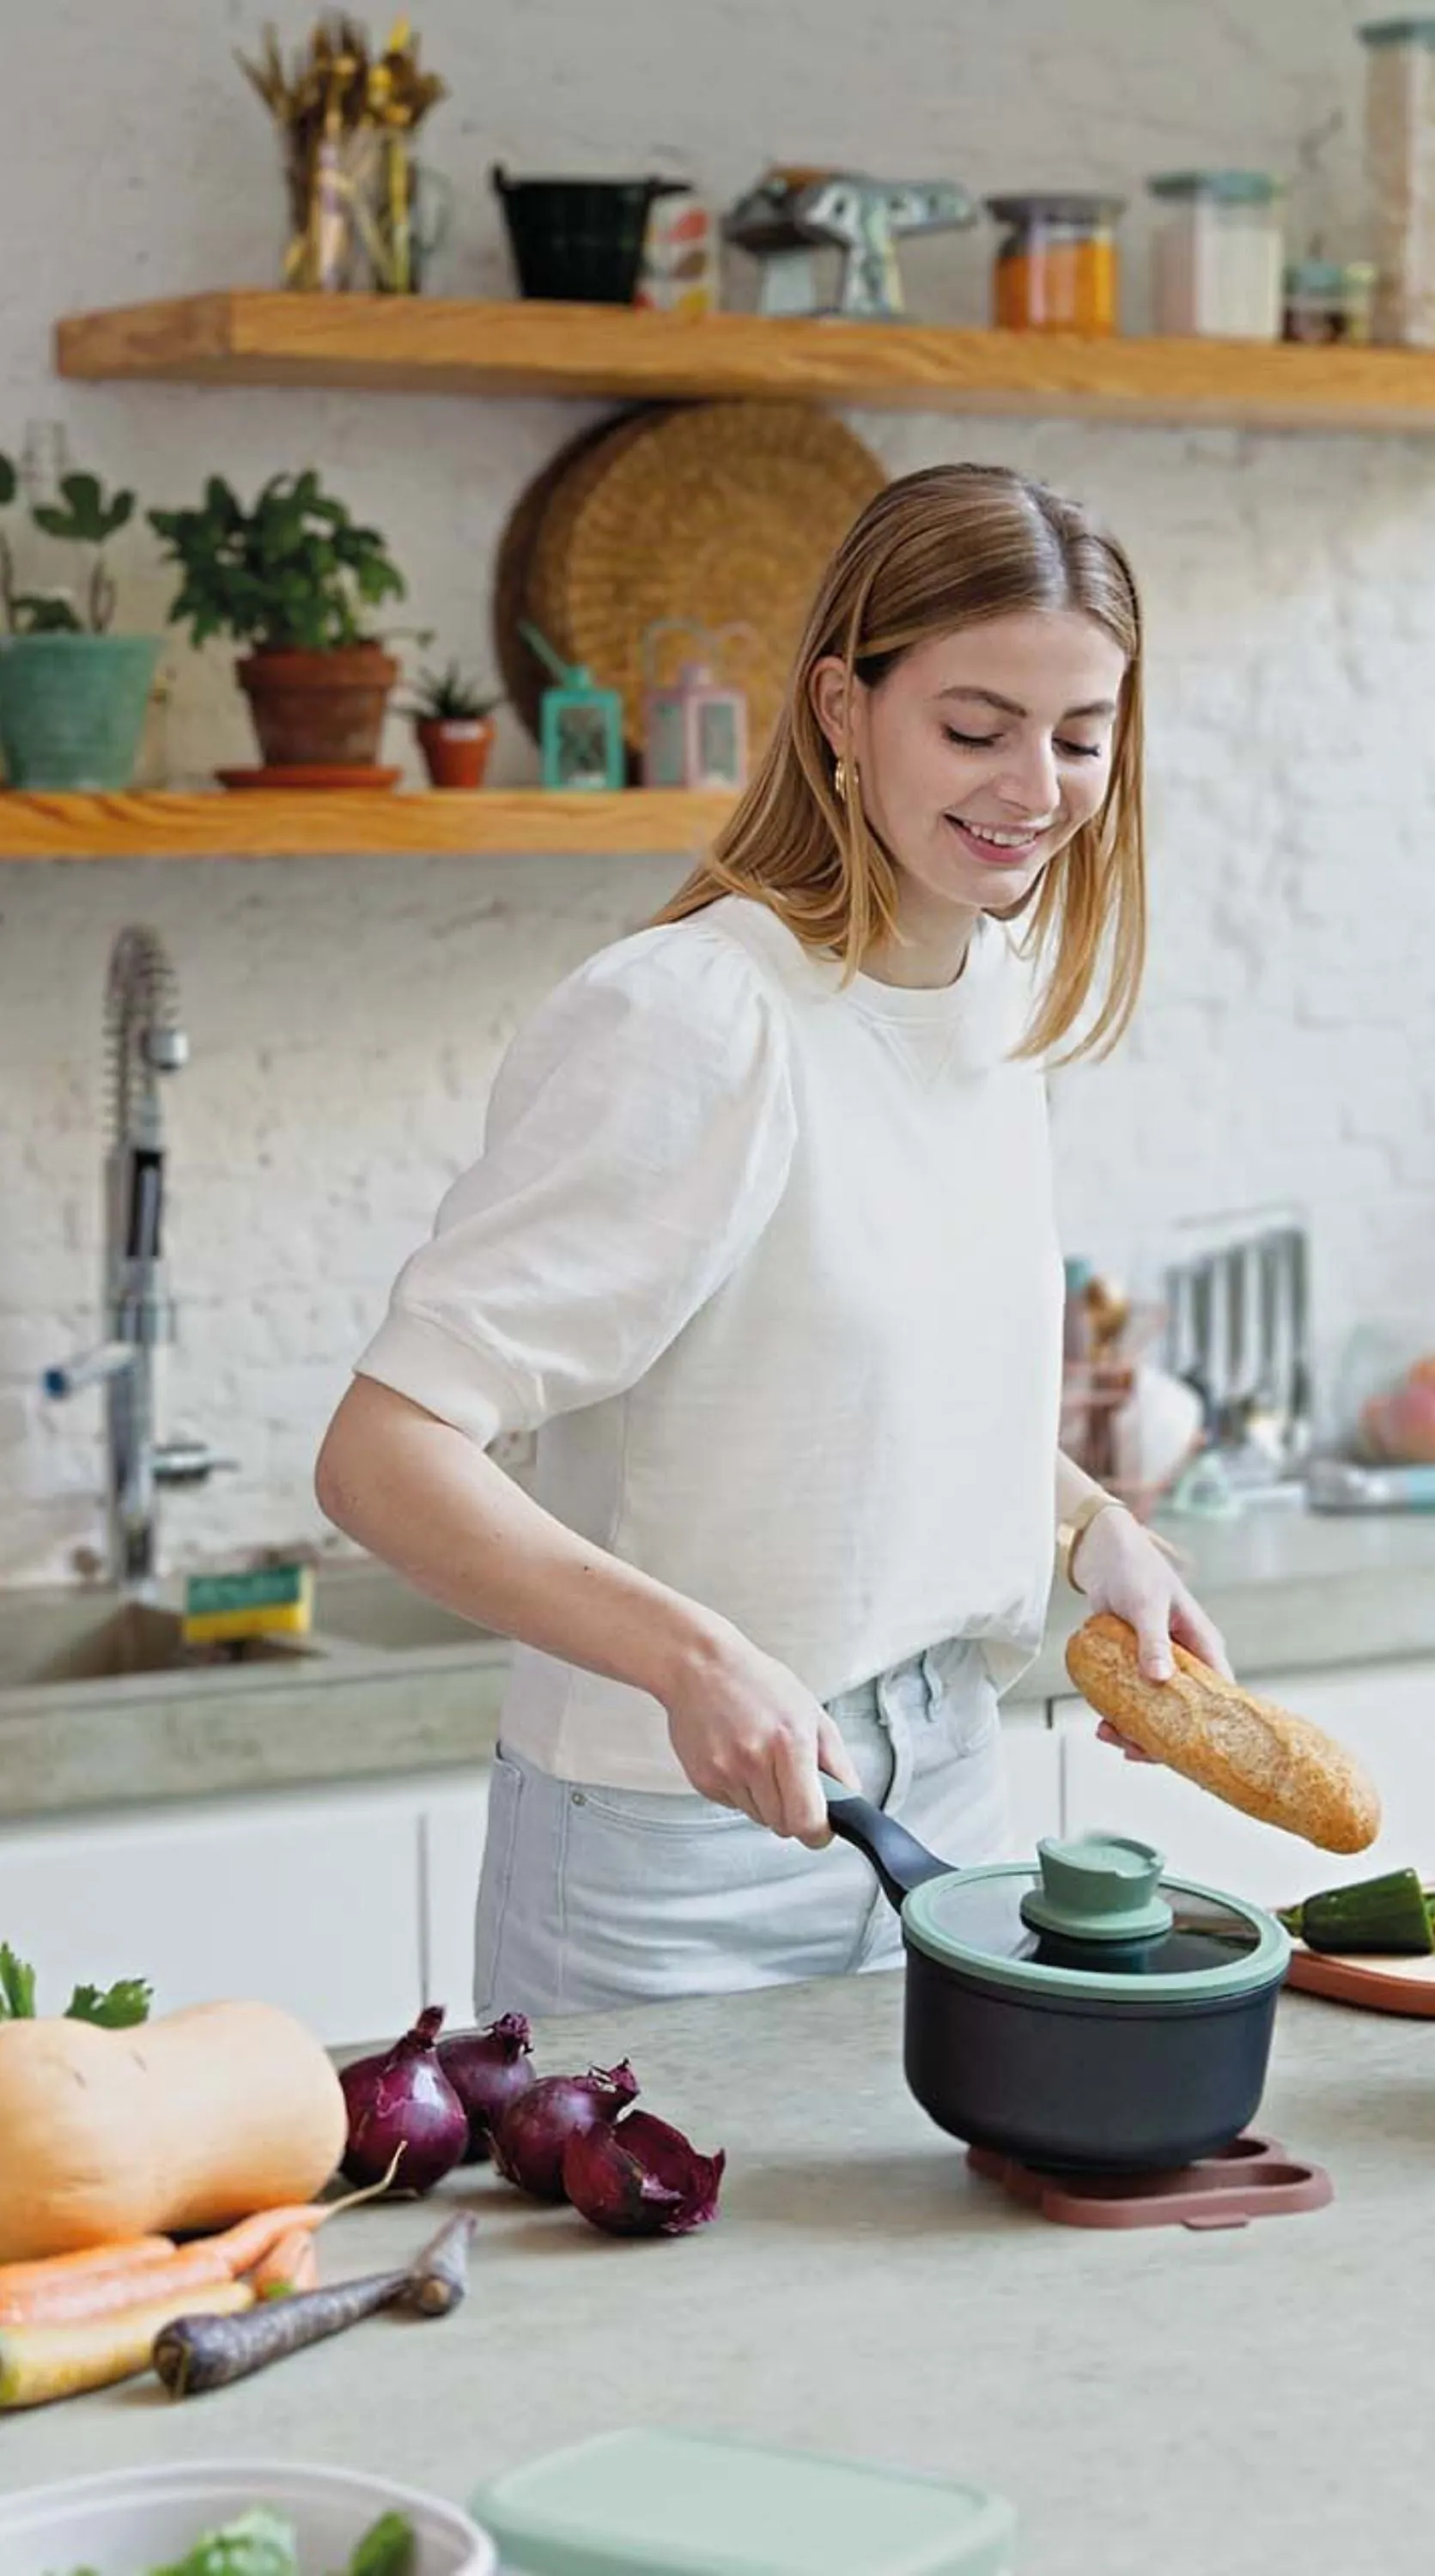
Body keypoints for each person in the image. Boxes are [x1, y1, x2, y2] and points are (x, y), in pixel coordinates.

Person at [313, 462, 1225, 2016]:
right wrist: (688, 1660)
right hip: (676, 1847)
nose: (1034, 786)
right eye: (975, 726)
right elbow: (382, 1457)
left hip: (953, 1791)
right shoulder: (694, 1020)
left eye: (1080, 737)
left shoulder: (991, 1001)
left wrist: (1086, 1531)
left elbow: (862, 1381)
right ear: (840, 710)